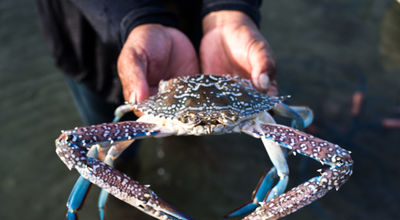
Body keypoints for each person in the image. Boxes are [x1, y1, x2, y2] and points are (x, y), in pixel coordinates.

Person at [36, 0, 277, 125]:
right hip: (91, 40)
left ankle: (185, 142)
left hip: (200, 26)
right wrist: (137, 19)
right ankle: (125, 207)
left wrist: (230, 10)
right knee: (111, 150)